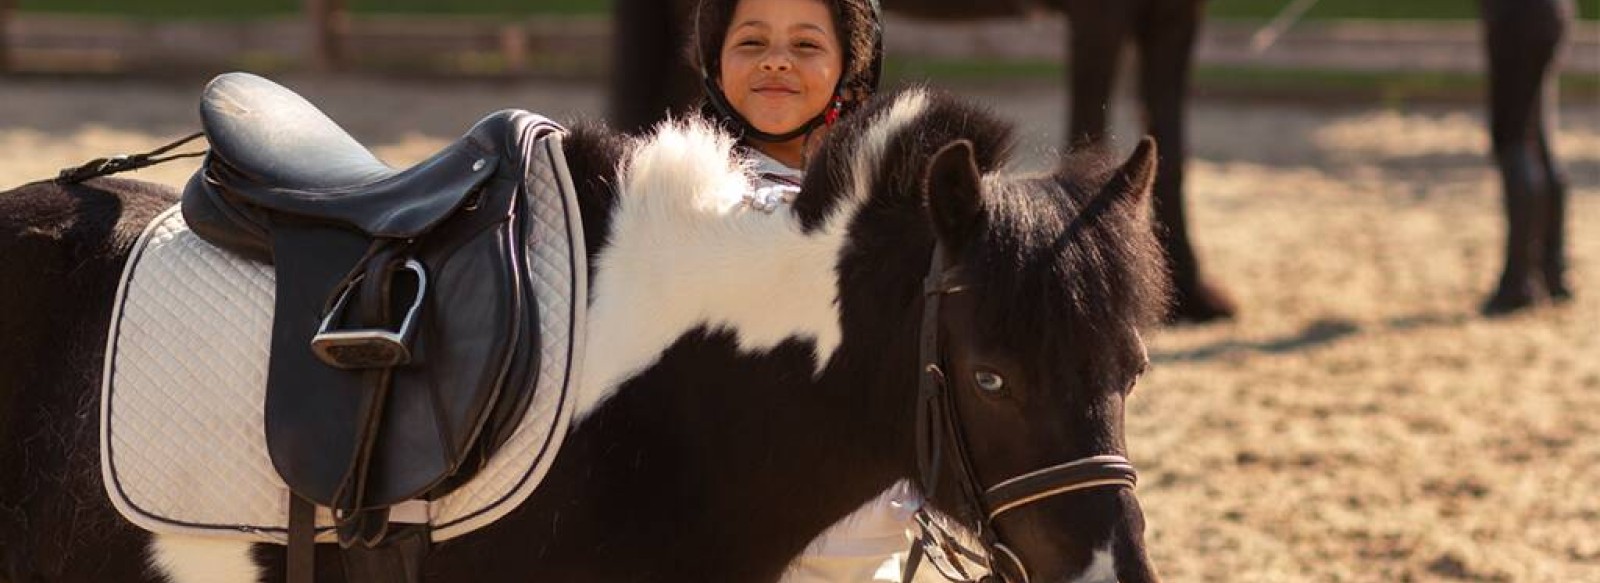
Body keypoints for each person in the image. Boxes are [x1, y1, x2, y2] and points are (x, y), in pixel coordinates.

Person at [688, 1, 938, 581]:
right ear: (714, 63)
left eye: (805, 46)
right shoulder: (683, 206)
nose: (776, 62)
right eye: (751, 44)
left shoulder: (891, 215)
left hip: (869, 549)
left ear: (851, 68)